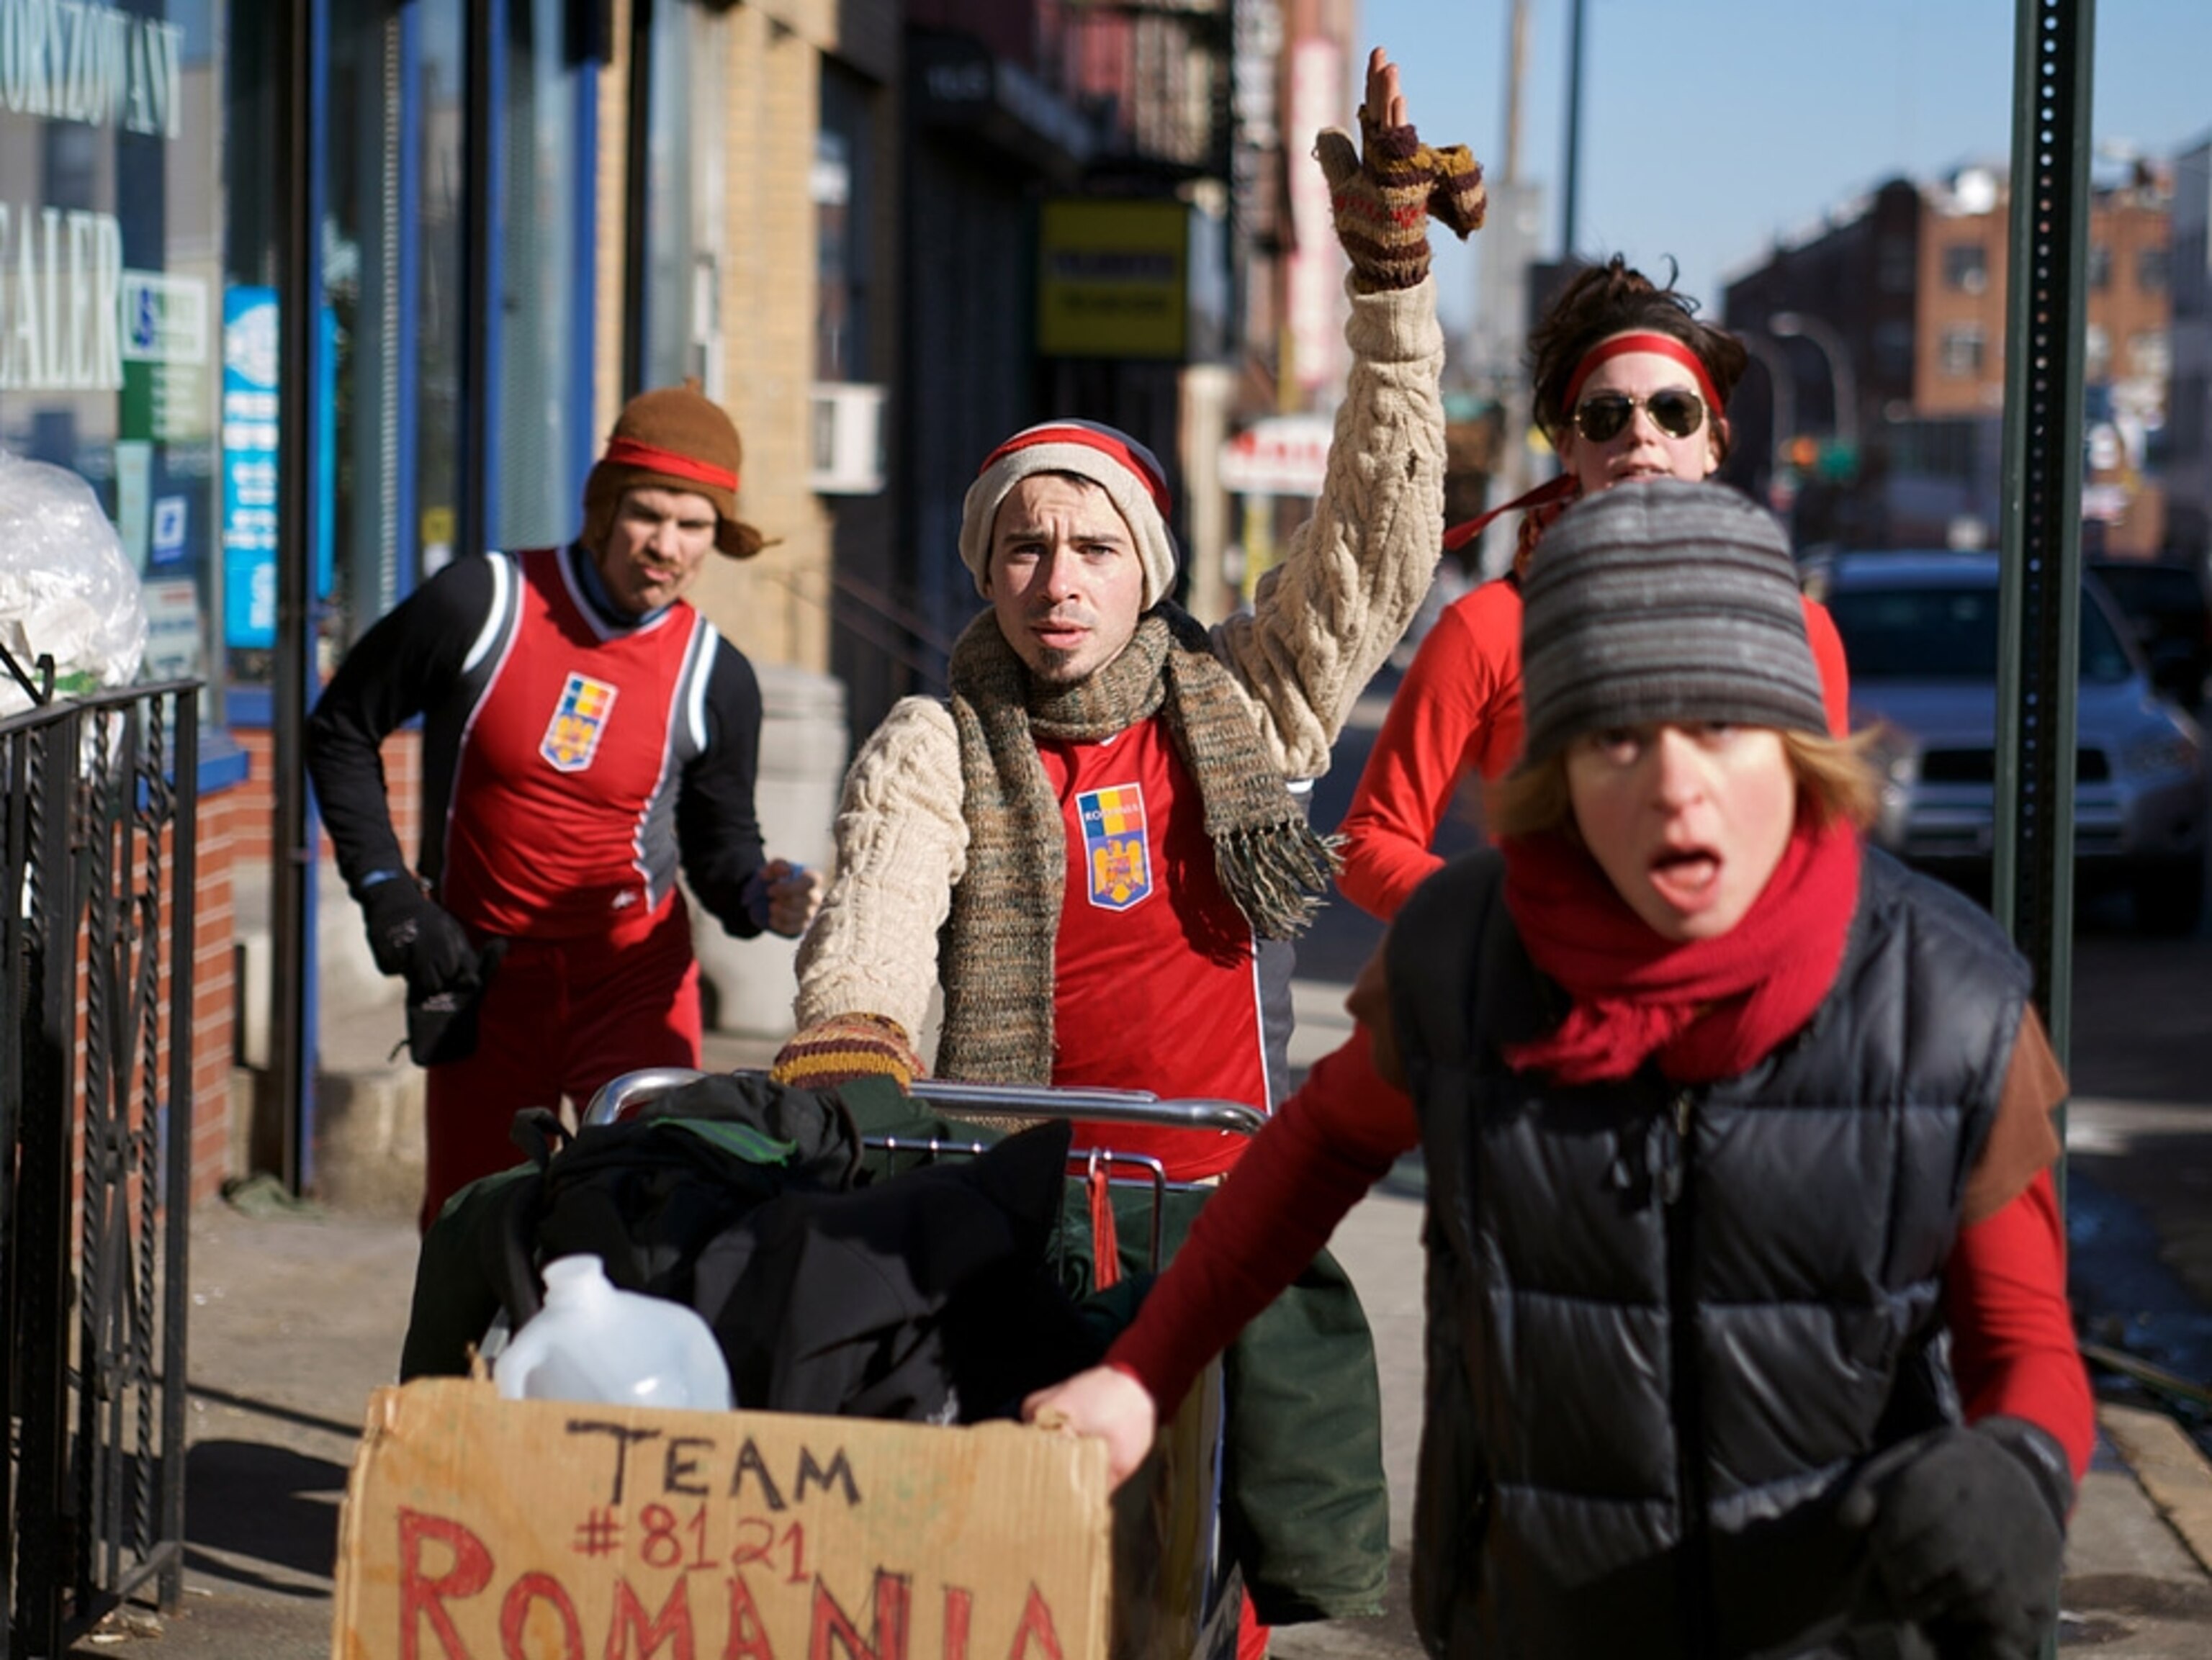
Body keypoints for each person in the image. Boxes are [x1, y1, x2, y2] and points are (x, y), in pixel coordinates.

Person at [1027, 479, 2093, 1660]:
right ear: (1558, 775)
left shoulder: (1951, 1002)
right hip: (1534, 1618)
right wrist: (1140, 1376)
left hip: (1846, 1625)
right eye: (1618, 738)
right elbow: (1319, 1147)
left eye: (1724, 727)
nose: (1675, 785)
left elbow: (2026, 1341)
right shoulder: (1467, 958)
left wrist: (2019, 1466)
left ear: (1799, 754)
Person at [771, 47, 1482, 1656]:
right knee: (1013, 1576)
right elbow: (877, 906)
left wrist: (1391, 282)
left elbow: (1375, 536)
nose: (1056, 576)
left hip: (1225, 1215)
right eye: (1023, 543)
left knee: (1224, 1571)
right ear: (989, 567)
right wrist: (855, 1046)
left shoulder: (1245, 696)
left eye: (1094, 545)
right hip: (1005, 1216)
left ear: (1146, 568)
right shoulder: (934, 739)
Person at [307, 381, 822, 1231]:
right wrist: (388, 891)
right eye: (646, 515)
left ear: (715, 539)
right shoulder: (484, 602)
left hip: (631, 978)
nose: (665, 545)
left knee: (659, 1222)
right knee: (474, 1236)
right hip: (484, 974)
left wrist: (763, 893)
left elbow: (720, 847)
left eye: (692, 525)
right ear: (602, 507)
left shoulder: (715, 674)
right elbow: (340, 728)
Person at [1334, 257, 1855, 921]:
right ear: (1566, 448)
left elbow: (1827, 850)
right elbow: (1370, 840)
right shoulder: (1489, 627)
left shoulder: (1799, 631)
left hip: (1728, 1004)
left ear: (1715, 444)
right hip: (1544, 1007)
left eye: (1674, 411)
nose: (1642, 432)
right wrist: (1504, 927)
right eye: (1607, 414)